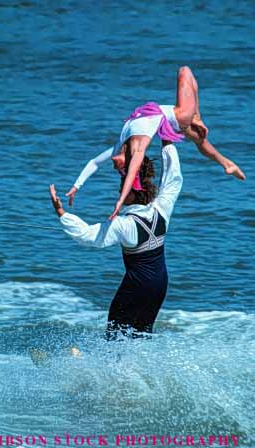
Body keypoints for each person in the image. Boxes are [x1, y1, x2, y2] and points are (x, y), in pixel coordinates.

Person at [65, 67, 245, 220]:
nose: (116, 169)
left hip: (168, 119)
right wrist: (120, 201)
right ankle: (196, 116)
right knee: (185, 71)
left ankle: (227, 164)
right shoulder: (137, 149)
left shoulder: (118, 146)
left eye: (119, 169)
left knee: (200, 140)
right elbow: (131, 174)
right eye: (121, 169)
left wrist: (76, 186)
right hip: (180, 115)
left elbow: (94, 162)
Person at [50, 141, 183, 340]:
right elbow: (173, 178)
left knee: (115, 332)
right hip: (160, 284)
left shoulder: (124, 224)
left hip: (136, 286)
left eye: (123, 188)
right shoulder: (162, 208)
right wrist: (167, 143)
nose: (119, 191)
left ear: (132, 191)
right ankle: (138, 368)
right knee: (141, 333)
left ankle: (109, 368)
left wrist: (60, 212)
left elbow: (88, 236)